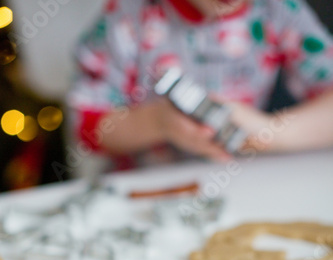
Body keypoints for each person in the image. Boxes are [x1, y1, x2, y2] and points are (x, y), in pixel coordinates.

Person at [67, 0, 333, 170]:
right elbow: (86, 127)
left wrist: (268, 132)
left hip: (240, 180)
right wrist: (158, 123)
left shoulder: (279, 10)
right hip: (145, 189)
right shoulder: (128, 14)